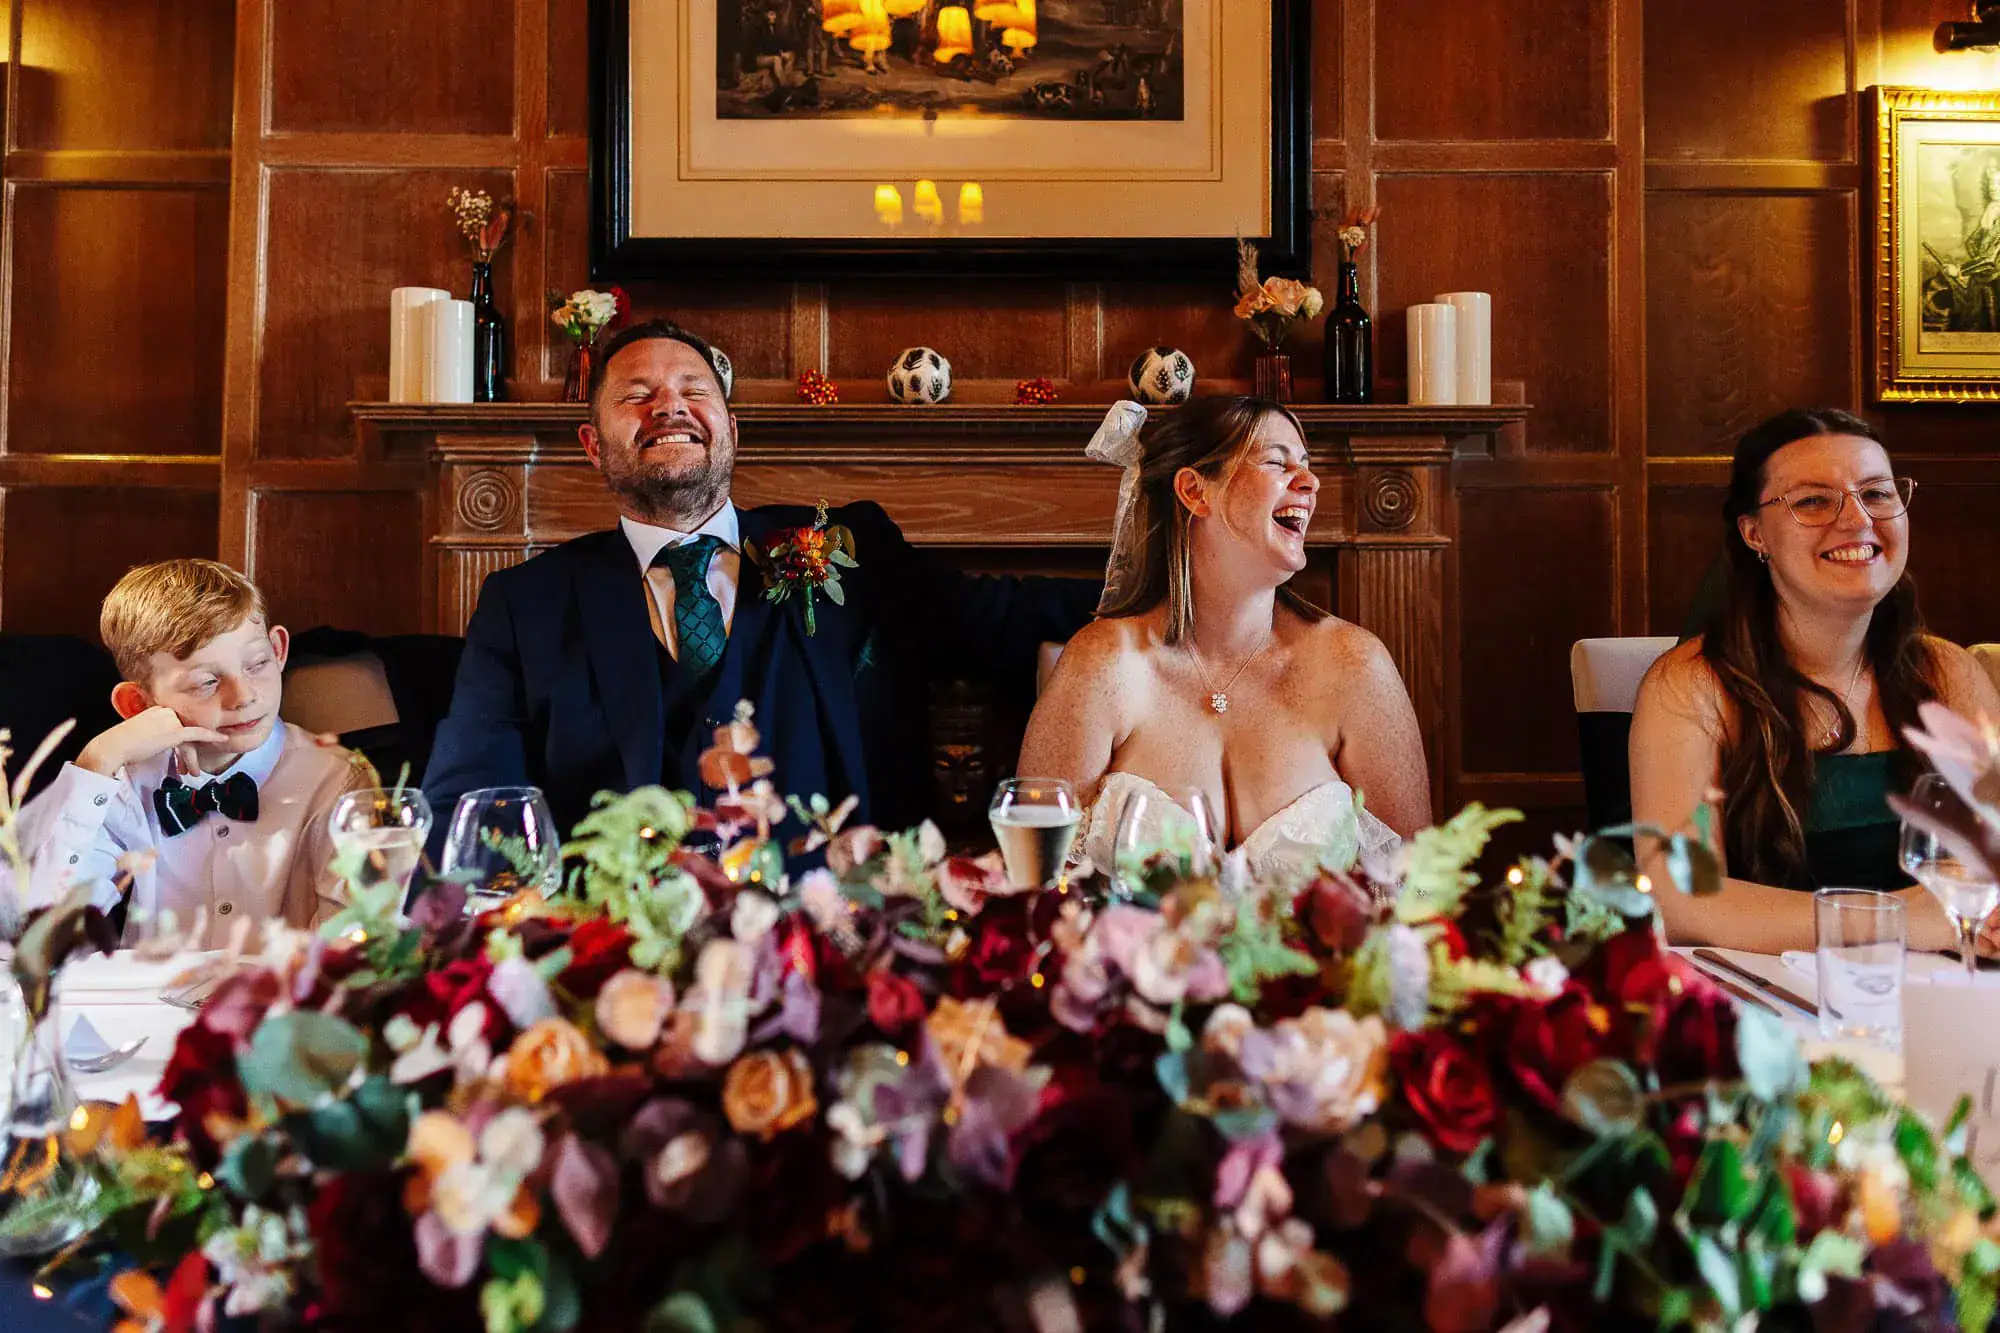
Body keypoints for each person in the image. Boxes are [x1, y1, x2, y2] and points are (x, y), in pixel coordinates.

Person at [423, 320, 1098, 849]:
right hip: (625, 952)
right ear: (593, 445)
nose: (669, 407)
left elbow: (1003, 614)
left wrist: (1174, 602)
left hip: (835, 933)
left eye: (694, 389)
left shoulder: (847, 549)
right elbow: (470, 804)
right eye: (636, 395)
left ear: (731, 430)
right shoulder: (526, 604)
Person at [1017, 395, 1430, 889]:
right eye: (1278, 461)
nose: (1310, 482)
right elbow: (1032, 887)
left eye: (1307, 465)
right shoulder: (1105, 664)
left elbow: (1420, 889)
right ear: (1195, 491)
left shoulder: (1354, 665)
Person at [1630, 408, 2000, 954]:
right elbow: (1680, 899)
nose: (1856, 520)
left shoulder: (1945, 671)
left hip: (1942, 984)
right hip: (1768, 1006)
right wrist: (1896, 920)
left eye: (1876, 494)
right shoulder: (1688, 687)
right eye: (1812, 501)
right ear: (1754, 533)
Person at [8, 560, 370, 943]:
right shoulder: (124, 784)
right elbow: (40, 926)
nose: (244, 696)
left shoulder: (338, 783)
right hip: (146, 1001)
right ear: (138, 704)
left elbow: (348, 947)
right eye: (206, 683)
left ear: (279, 649)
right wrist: (97, 760)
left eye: (257, 664)